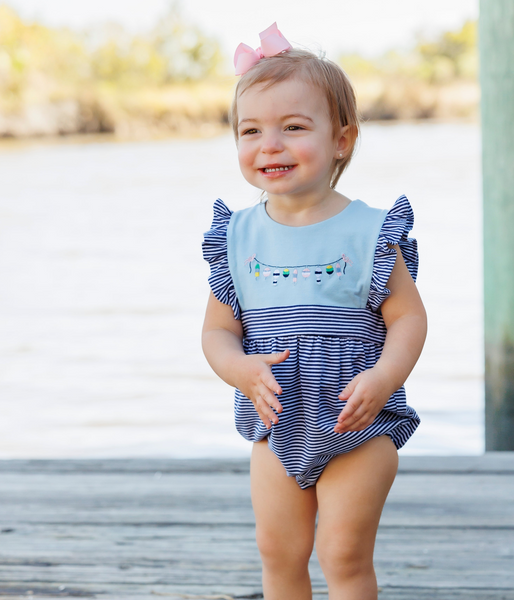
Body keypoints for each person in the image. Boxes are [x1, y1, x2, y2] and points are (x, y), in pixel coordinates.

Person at [201, 23, 427, 600]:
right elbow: (218, 333)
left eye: (293, 128)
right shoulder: (237, 236)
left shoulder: (371, 231)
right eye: (250, 131)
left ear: (342, 139)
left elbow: (407, 318)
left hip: (356, 422)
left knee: (342, 555)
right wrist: (241, 369)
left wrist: (384, 377)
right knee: (278, 553)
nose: (269, 144)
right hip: (276, 424)